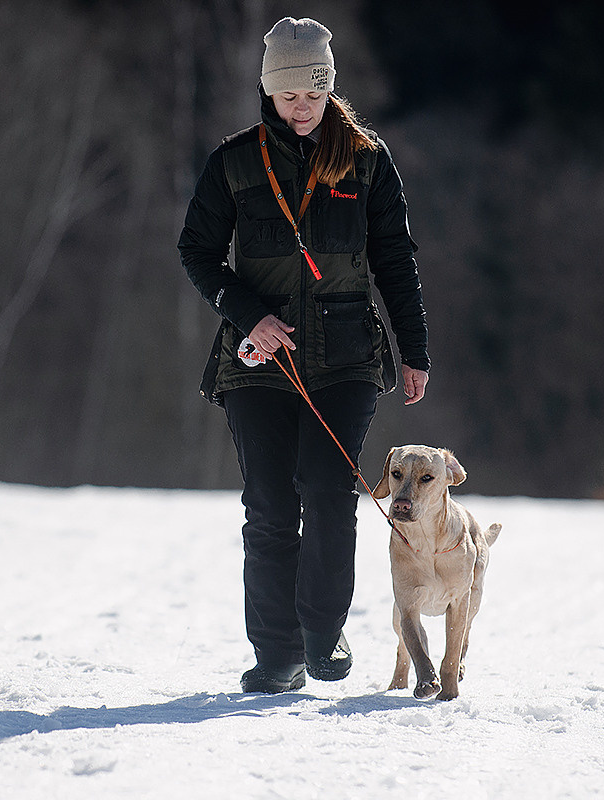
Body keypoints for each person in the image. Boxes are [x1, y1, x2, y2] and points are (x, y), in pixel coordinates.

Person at [178, 17, 430, 694]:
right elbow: (196, 252)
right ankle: (277, 655)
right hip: (259, 361)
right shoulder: (233, 163)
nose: (300, 105)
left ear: (328, 88)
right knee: (266, 504)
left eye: (311, 94)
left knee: (326, 492)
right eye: (288, 94)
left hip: (347, 358)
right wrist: (247, 314)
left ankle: (322, 633)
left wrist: (414, 349)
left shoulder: (368, 161)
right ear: (268, 91)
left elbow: (395, 262)